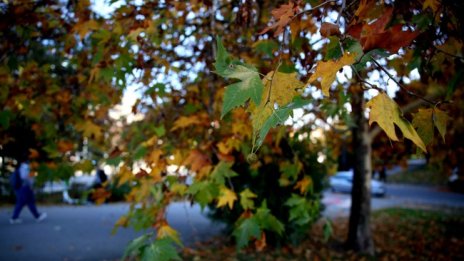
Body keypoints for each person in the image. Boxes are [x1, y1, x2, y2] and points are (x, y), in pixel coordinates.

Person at [10, 159, 47, 224]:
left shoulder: (23, 167)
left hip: (23, 187)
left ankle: (15, 217)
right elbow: (24, 177)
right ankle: (37, 216)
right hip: (25, 187)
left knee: (25, 202)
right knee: (27, 202)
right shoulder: (26, 167)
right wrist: (31, 183)